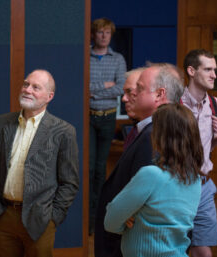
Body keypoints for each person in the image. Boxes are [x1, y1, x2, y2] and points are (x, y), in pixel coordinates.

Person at [0, 69, 79, 257]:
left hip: (40, 219)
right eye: (26, 84)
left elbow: (69, 182)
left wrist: (52, 218)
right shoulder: (0, 123)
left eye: (36, 87)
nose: (27, 90)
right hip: (2, 215)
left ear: (49, 96)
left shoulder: (63, 131)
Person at [94, 64, 185, 257]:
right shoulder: (151, 131)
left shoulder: (155, 135)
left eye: (139, 89)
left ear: (159, 94)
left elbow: (146, 203)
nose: (129, 96)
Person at [104, 103, 203, 257]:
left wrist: (130, 217)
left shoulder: (150, 175)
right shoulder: (195, 179)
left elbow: (110, 222)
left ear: (161, 136)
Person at [181, 49, 217, 257]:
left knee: (203, 250)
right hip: (177, 185)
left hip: (203, 186)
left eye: (215, 70)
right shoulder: (175, 105)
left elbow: (205, 148)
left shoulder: (215, 104)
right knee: (176, 247)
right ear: (192, 71)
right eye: (208, 69)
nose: (214, 75)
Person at [89, 18, 126, 234]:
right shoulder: (85, 57)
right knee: (90, 167)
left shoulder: (118, 59)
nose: (103, 36)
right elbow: (81, 85)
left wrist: (94, 90)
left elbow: (120, 88)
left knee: (101, 169)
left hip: (108, 117)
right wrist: (104, 85)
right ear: (93, 35)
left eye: (107, 33)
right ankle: (88, 219)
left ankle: (99, 219)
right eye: (100, 32)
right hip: (89, 117)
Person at [121, 68, 145, 149]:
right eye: (124, 93)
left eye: (129, 91)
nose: (124, 99)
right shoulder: (136, 130)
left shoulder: (159, 133)